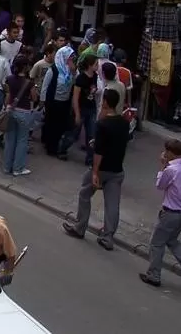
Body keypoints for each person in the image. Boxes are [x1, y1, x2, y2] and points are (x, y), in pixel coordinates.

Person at [63, 89, 129, 250]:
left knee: (85, 194)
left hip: (102, 168)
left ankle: (80, 227)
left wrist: (94, 171)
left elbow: (99, 151)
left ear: (105, 102)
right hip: (117, 168)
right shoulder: (124, 123)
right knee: (113, 204)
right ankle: (108, 237)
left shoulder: (103, 124)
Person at [140, 139, 181, 288]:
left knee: (157, 243)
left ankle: (154, 275)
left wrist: (162, 167)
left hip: (169, 213)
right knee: (172, 240)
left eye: (166, 151)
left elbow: (160, 186)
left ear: (170, 153)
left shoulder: (170, 170)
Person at [3, 55, 37, 176]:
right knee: (22, 141)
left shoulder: (9, 79)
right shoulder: (29, 83)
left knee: (10, 139)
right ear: (26, 67)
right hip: (24, 112)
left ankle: (7, 167)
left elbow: (7, 95)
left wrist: (7, 107)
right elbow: (34, 97)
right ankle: (18, 168)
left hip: (11, 110)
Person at [41, 46, 77, 158]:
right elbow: (45, 86)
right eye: (69, 57)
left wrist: (73, 70)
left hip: (65, 102)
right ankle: (50, 147)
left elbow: (76, 82)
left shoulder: (71, 70)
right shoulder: (54, 69)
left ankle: (58, 147)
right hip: (53, 102)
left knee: (61, 126)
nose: (71, 59)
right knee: (52, 125)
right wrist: (43, 101)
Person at [72, 54, 100, 166]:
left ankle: (89, 159)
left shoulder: (95, 76)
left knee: (91, 135)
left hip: (91, 108)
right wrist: (77, 114)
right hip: (82, 108)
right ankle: (62, 148)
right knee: (74, 132)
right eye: (96, 64)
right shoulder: (80, 79)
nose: (98, 66)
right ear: (89, 65)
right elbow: (75, 97)